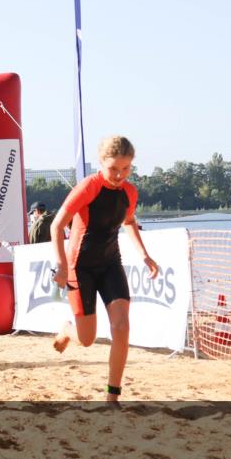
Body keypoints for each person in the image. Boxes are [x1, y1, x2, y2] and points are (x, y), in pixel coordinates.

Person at [50, 136, 158, 402]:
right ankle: (67, 330)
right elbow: (56, 225)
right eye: (114, 169)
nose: (119, 175)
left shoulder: (130, 192)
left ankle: (113, 396)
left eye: (125, 168)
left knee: (121, 327)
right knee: (87, 339)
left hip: (111, 264)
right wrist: (62, 266)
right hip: (80, 267)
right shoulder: (89, 186)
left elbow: (129, 221)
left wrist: (145, 255)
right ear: (101, 164)